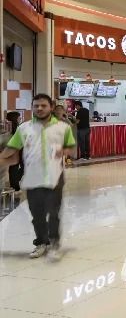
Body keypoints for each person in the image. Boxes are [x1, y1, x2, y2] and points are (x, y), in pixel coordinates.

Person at [0, 94, 76, 259]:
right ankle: (41, 242)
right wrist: (2, 157)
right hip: (32, 177)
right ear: (32, 108)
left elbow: (71, 149)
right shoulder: (24, 128)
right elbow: (12, 148)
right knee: (37, 214)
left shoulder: (63, 128)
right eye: (36, 106)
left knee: (53, 213)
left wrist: (63, 151)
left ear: (51, 107)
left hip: (55, 176)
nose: (39, 109)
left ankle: (54, 244)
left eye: (43, 105)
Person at [5, 111, 23, 191]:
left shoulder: (16, 127)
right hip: (16, 150)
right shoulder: (11, 128)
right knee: (16, 168)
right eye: (19, 118)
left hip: (17, 150)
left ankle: (14, 184)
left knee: (15, 168)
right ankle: (14, 185)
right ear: (15, 119)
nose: (20, 119)